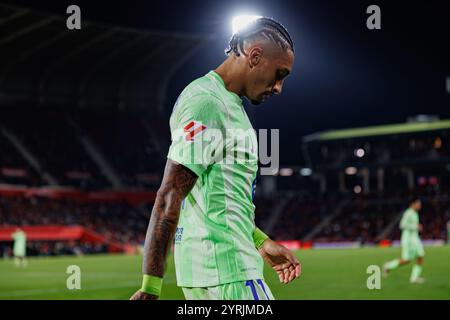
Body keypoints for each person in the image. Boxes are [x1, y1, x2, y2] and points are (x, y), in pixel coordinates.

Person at [131, 16, 301, 300]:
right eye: (279, 74)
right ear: (255, 56)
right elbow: (170, 193)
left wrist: (260, 241)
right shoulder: (208, 103)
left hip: (220, 272)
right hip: (228, 274)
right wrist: (150, 287)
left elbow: (220, 199)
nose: (278, 87)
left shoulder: (225, 104)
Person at [383, 198, 425, 284]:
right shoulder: (408, 213)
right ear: (413, 204)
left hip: (414, 239)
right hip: (409, 240)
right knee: (407, 260)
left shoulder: (414, 213)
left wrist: (416, 227)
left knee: (420, 256)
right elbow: (402, 225)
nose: (420, 206)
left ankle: (414, 278)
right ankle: (388, 266)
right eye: (418, 204)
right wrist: (415, 227)